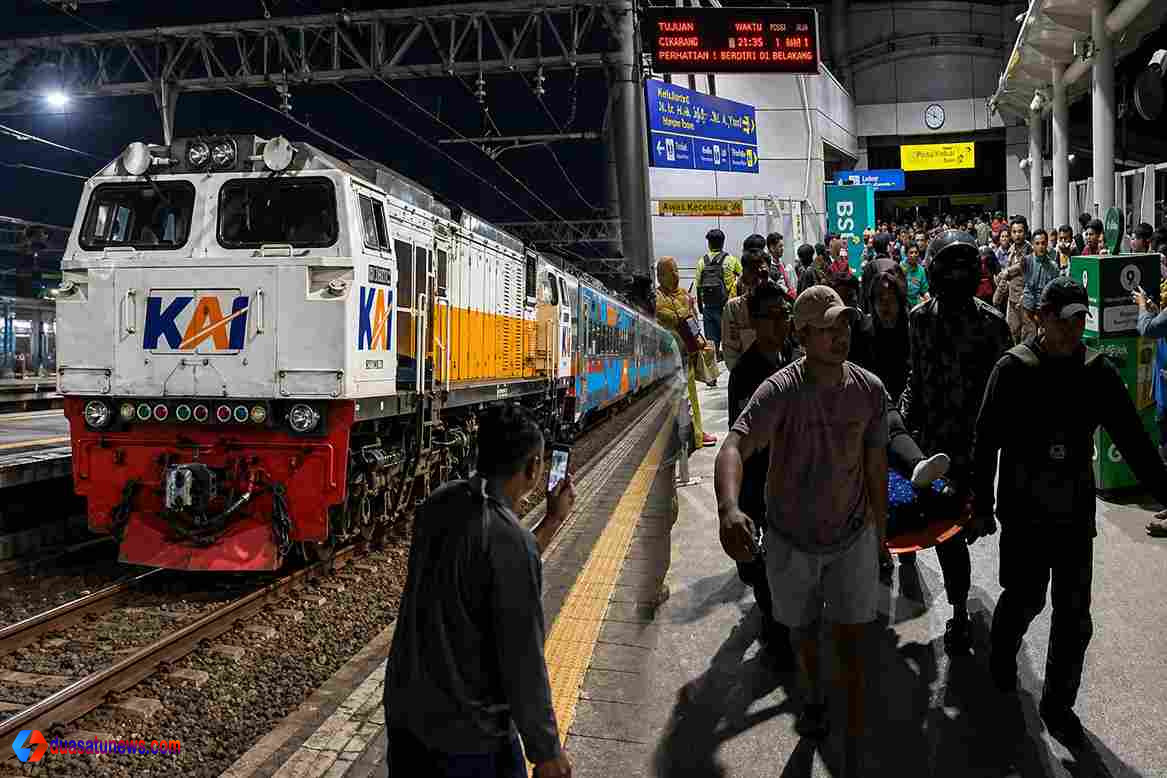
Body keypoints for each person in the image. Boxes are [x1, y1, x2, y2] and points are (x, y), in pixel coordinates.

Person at [974, 277, 1167, 750]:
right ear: (1041, 317)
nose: (1074, 329)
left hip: (1074, 515)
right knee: (1025, 599)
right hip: (1024, 513)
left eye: (1081, 320)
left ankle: (1058, 705)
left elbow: (1134, 441)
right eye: (1064, 320)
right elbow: (985, 441)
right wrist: (980, 504)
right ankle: (1001, 659)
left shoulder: (1096, 372)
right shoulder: (1013, 369)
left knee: (1075, 618)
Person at [715, 285, 887, 778]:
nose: (841, 336)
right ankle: (812, 699)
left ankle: (853, 731)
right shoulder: (779, 391)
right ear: (803, 335)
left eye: (845, 325)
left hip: (852, 535)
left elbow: (875, 466)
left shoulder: (869, 390)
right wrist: (728, 509)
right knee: (804, 631)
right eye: (828, 328)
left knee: (853, 636)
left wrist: (880, 536)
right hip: (791, 539)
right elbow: (733, 447)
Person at [384, 404, 575, 778]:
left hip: (407, 718)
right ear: (534, 468)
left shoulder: (439, 503)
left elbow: (491, 568)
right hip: (469, 737)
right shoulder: (508, 540)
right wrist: (546, 750)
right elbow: (522, 659)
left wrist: (552, 520)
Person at [901, 230, 1013, 656]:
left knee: (974, 524)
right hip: (933, 448)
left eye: (964, 268)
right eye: (948, 268)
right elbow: (916, 377)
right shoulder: (919, 320)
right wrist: (899, 425)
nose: (956, 277)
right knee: (946, 533)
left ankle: (971, 604)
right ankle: (960, 609)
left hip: (978, 450)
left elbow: (1005, 398)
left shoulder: (993, 325)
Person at [727, 279, 797, 666]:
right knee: (762, 566)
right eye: (770, 317)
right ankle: (774, 625)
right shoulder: (745, 372)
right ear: (754, 322)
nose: (779, 323)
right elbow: (741, 442)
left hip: (794, 478)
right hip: (759, 481)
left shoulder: (794, 356)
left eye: (784, 315)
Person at [656, 256, 717, 446]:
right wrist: (685, 309)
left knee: (692, 397)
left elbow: (691, 320)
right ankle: (684, 437)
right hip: (669, 359)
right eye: (671, 272)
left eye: (676, 270)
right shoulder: (657, 297)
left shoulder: (682, 294)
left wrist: (701, 341)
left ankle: (697, 433)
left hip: (688, 353)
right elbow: (670, 317)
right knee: (678, 399)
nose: (676, 275)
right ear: (660, 276)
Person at [695, 229, 742, 362]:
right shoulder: (731, 260)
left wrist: (701, 307)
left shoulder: (702, 262)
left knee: (711, 344)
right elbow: (743, 278)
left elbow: (698, 286)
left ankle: (713, 371)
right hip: (726, 307)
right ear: (723, 243)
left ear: (709, 244)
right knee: (730, 342)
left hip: (708, 307)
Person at [722, 248, 772, 370]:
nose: (758, 279)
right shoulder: (734, 308)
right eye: (753, 272)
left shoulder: (780, 304)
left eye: (762, 273)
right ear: (744, 277)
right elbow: (730, 348)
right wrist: (740, 375)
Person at [1021, 228, 1061, 341]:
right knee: (1028, 339)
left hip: (1044, 311)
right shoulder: (1026, 261)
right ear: (1033, 245)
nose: (1041, 246)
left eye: (1043, 243)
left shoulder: (1053, 266)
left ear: (1047, 244)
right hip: (1028, 309)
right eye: (1037, 243)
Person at [1000, 217, 1031, 342]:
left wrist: (1007, 272)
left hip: (1026, 300)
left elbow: (1021, 265)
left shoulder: (1030, 249)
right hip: (1012, 298)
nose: (1017, 235)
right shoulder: (1011, 249)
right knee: (1012, 333)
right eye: (1014, 232)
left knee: (1026, 335)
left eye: (1020, 231)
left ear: (1026, 232)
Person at [901, 244, 929, 308]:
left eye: (916, 252)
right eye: (911, 253)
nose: (914, 255)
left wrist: (927, 296)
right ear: (906, 254)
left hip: (917, 303)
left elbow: (924, 289)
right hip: (904, 303)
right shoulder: (900, 268)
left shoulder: (921, 270)